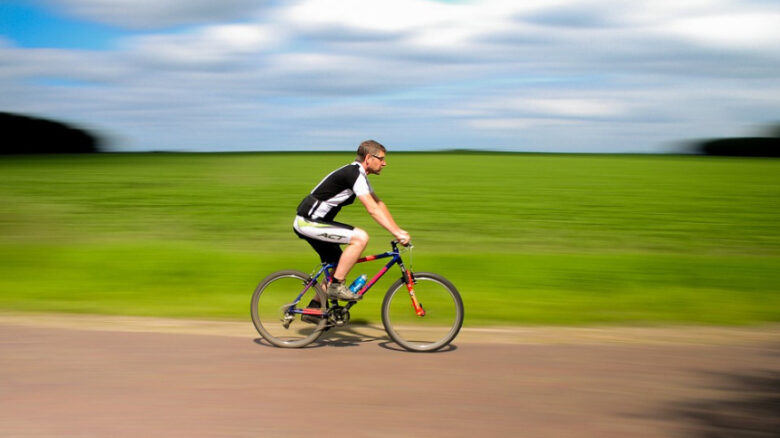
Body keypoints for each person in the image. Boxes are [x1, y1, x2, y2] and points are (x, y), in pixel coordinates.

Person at [293, 140, 411, 303]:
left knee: (339, 265)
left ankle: (315, 309)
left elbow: (379, 204)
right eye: (381, 159)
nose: (385, 163)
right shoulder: (354, 174)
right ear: (369, 158)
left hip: (314, 222)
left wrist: (398, 230)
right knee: (360, 238)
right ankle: (336, 286)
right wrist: (396, 233)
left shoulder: (359, 175)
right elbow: (372, 209)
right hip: (308, 222)